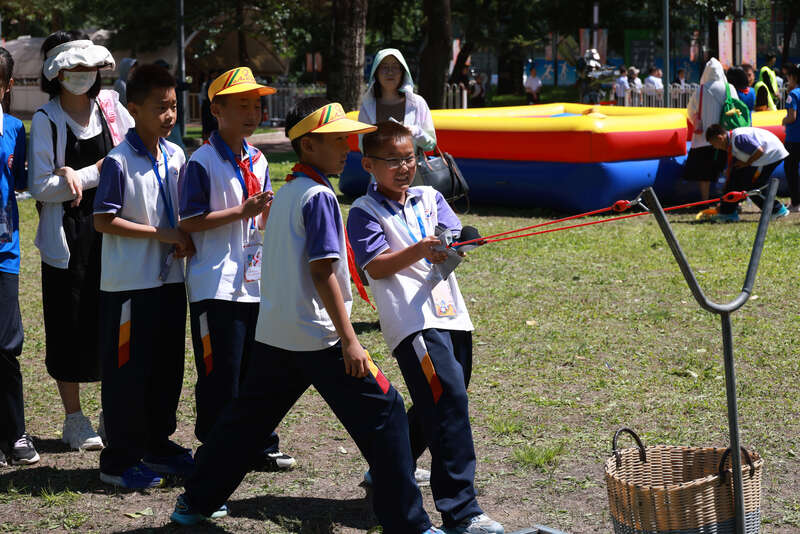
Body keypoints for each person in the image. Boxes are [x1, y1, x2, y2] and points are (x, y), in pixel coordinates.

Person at [170, 97, 441, 534]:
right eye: (336, 140)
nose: (347, 148)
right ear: (309, 145)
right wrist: (349, 339)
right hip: (319, 338)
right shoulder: (315, 196)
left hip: (279, 332)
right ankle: (409, 525)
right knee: (389, 413)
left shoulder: (291, 188)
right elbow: (321, 272)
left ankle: (195, 502)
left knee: (245, 423)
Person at [347, 121, 504, 534]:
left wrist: (460, 241)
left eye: (409, 158)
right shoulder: (365, 212)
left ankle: (387, 468)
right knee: (448, 398)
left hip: (452, 314)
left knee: (441, 397)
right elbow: (374, 267)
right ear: (368, 164)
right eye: (393, 160)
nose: (403, 167)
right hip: (412, 323)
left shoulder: (430, 196)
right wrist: (419, 250)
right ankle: (462, 510)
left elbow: (453, 232)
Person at [178, 67, 295, 472]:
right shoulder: (202, 161)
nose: (251, 113)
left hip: (254, 282)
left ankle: (259, 444)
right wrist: (239, 212)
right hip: (215, 283)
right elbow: (189, 220)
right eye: (241, 105)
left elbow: (256, 222)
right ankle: (214, 451)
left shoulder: (258, 158)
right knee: (219, 374)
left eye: (257, 105)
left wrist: (266, 217)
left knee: (258, 371)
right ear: (216, 109)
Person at [29, 32, 134, 451]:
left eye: (87, 67)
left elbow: (129, 154)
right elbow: (41, 187)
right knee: (69, 321)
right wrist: (91, 172)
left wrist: (81, 174)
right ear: (55, 72)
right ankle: (74, 419)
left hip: (113, 228)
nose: (81, 76)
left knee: (112, 319)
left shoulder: (110, 108)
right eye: (72, 68)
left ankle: (113, 412)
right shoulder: (46, 119)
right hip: (69, 236)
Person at [93, 64, 194, 488]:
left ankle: (156, 444)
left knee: (166, 368)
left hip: (170, 282)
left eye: (173, 107)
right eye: (160, 108)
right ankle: (118, 459)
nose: (169, 116)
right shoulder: (119, 161)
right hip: (129, 286)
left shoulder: (176, 154)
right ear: (133, 109)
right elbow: (103, 219)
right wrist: (162, 233)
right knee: (128, 373)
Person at [0, 47, 39, 467]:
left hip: (4, 254)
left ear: (8, 86)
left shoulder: (14, 129)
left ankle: (14, 433)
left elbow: (27, 181)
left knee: (6, 345)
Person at [705, 123, 789, 222]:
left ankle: (777, 210)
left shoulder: (738, 139)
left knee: (752, 187)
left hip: (770, 155)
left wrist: (747, 163)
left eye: (713, 144)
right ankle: (728, 212)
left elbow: (759, 150)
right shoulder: (732, 141)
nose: (715, 147)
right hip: (762, 156)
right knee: (738, 178)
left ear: (720, 138)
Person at [358, 49, 436, 152]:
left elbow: (431, 144)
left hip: (412, 167)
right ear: (376, 72)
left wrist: (416, 132)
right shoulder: (367, 107)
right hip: (379, 167)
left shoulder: (418, 103)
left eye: (395, 67)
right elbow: (363, 147)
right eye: (384, 67)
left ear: (402, 72)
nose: (390, 72)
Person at [684, 58, 735, 203]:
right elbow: (736, 108)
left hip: (702, 139)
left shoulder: (700, 90)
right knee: (725, 170)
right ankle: (726, 199)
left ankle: (705, 200)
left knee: (704, 175)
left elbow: (690, 111)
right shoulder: (729, 88)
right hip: (723, 137)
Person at [782, 64, 800, 212]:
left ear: (793, 77)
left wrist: (783, 120)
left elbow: (792, 117)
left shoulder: (793, 95)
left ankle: (796, 203)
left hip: (794, 139)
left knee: (791, 169)